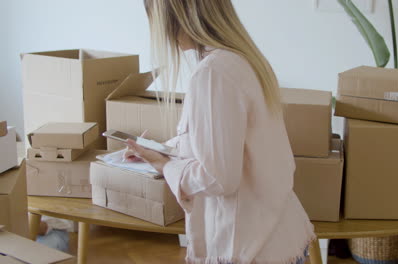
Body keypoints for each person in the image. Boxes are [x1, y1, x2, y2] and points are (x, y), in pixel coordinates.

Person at [125, 1, 316, 263]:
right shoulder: (244, 60)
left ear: (178, 16)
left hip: (249, 247)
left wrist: (165, 166)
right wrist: (159, 149)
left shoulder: (213, 73)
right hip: (279, 234)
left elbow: (217, 178)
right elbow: (218, 143)